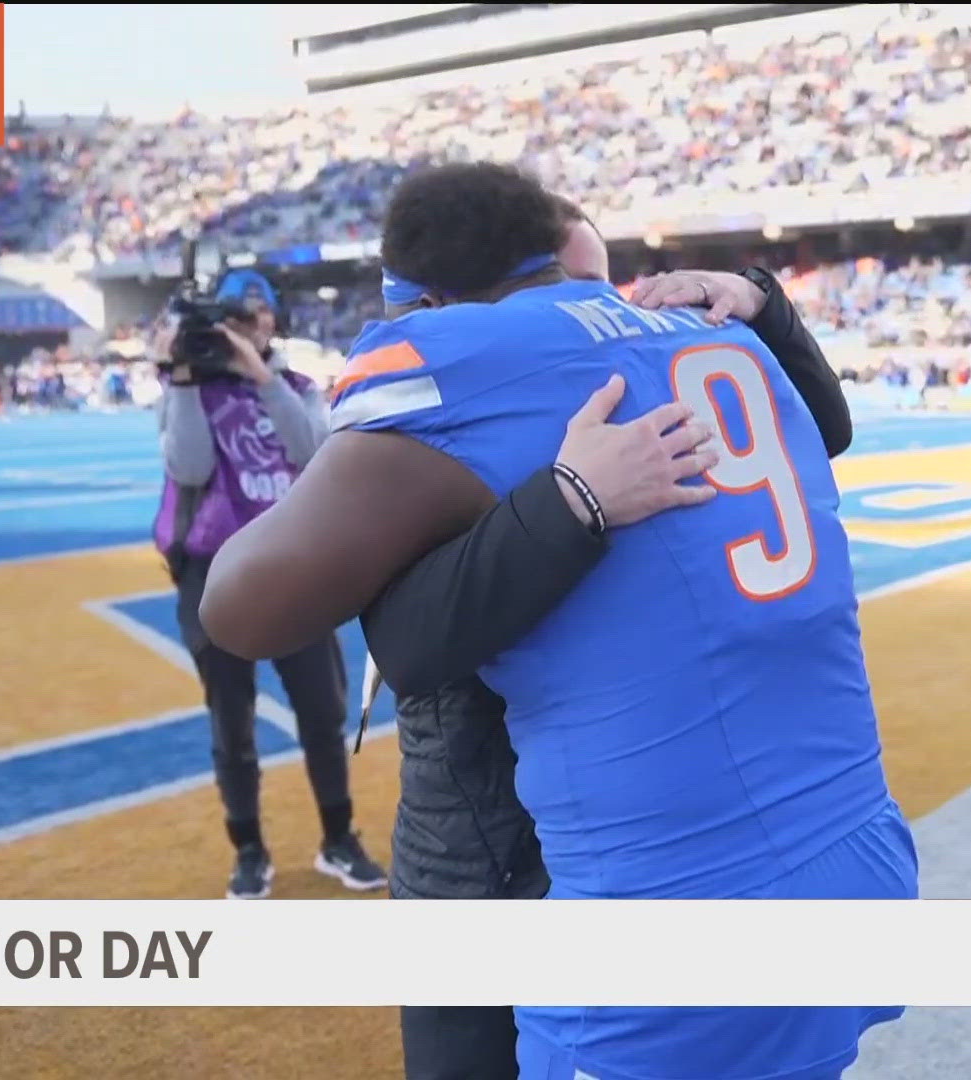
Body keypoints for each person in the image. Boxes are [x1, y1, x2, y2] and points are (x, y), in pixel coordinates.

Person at [200, 162, 915, 1079]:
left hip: (660, 918)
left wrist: (565, 495)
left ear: (422, 301)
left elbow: (241, 608)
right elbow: (827, 422)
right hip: (856, 858)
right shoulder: (727, 340)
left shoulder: (459, 358)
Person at [355, 198, 855, 1080]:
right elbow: (406, 640)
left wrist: (758, 304)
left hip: (629, 838)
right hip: (485, 848)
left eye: (601, 288)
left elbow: (824, 428)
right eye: (574, 287)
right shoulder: (437, 426)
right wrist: (571, 500)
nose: (603, 314)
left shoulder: (627, 400)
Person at [153, 268, 386, 900]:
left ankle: (338, 836)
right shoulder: (186, 387)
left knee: (321, 711)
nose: (244, 329)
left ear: (273, 322)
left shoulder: (299, 385)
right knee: (232, 719)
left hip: (292, 560)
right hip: (215, 570)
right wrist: (180, 376)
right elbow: (191, 464)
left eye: (255, 316)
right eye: (233, 318)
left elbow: (313, 452)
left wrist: (262, 376)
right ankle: (249, 850)